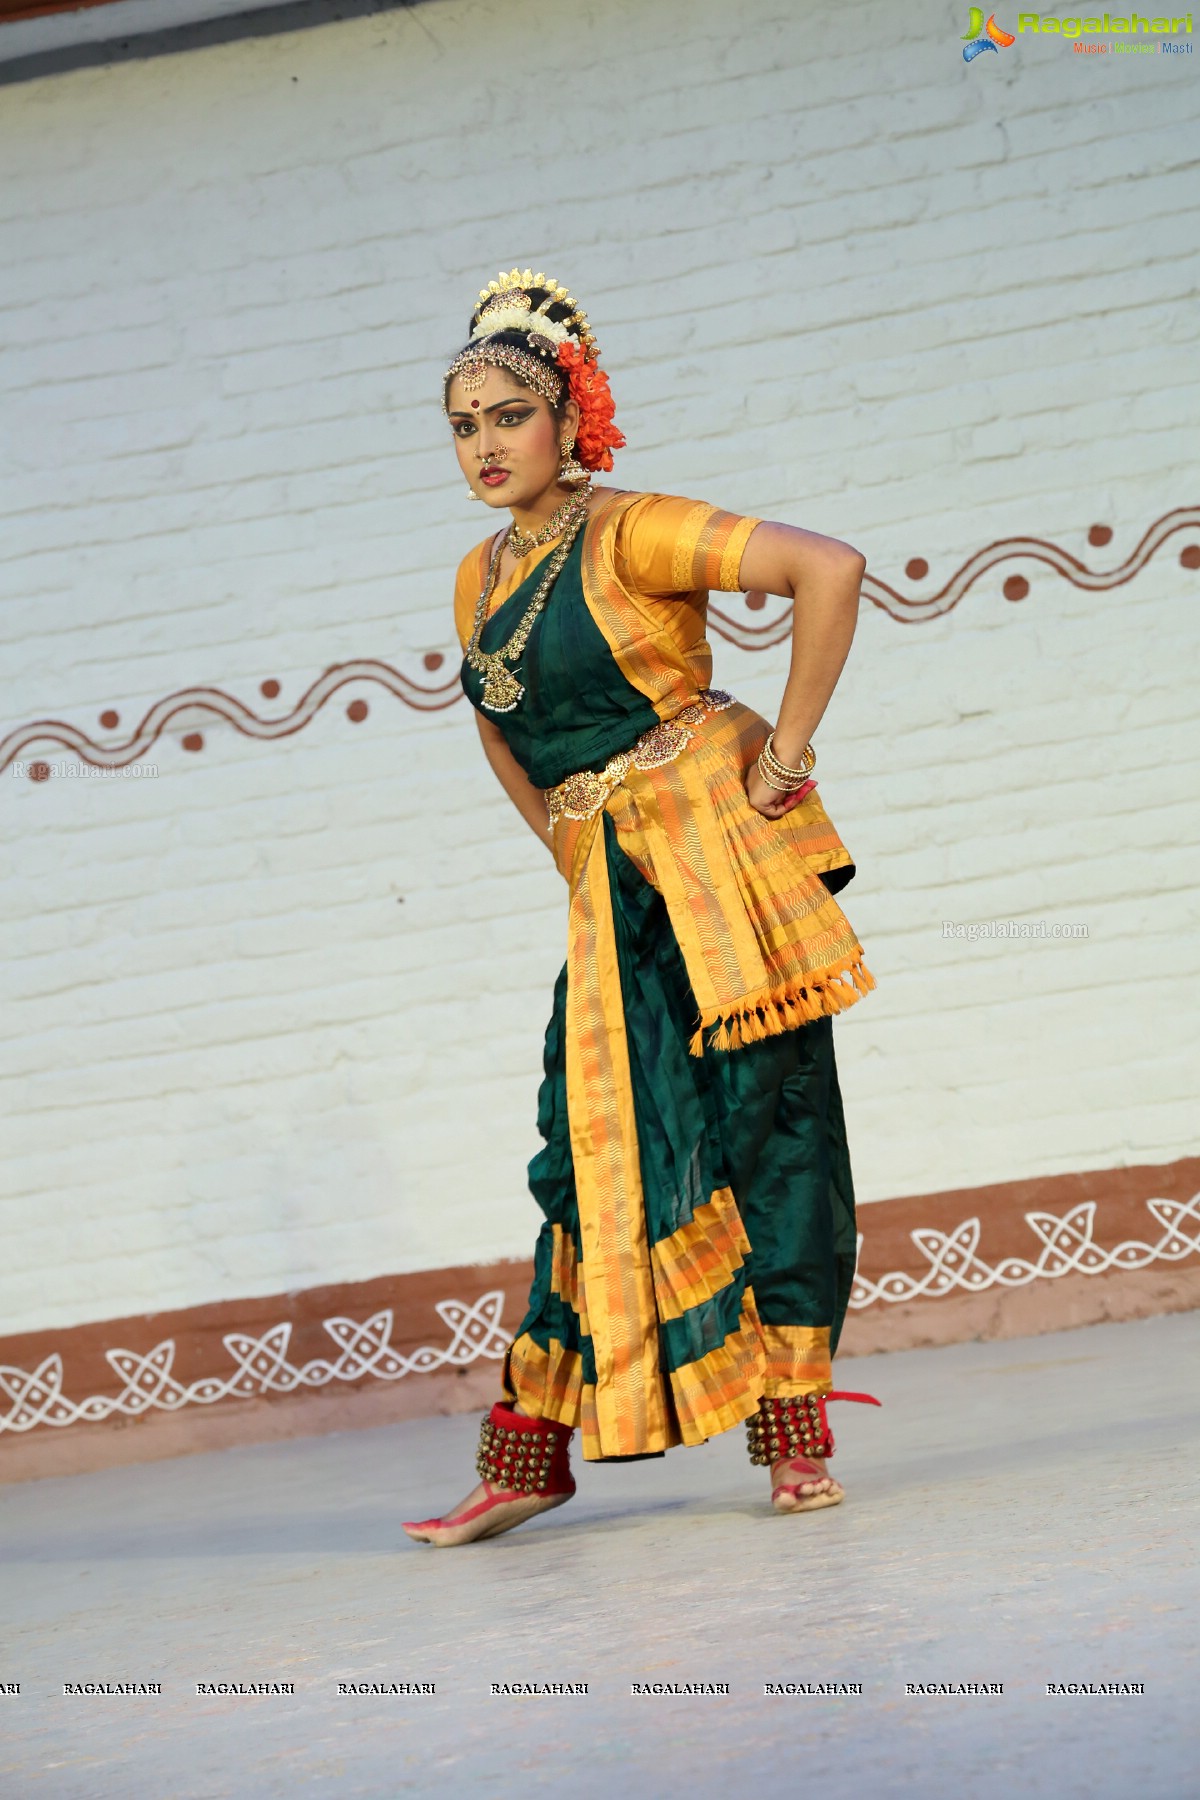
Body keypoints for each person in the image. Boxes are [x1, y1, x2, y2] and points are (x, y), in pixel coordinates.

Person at [402, 269, 879, 1549]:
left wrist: (783, 758)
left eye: (509, 416)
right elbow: (502, 733)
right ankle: (532, 1448)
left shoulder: (633, 532)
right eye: (463, 425)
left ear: (570, 422)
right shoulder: (478, 577)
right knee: (596, 1143)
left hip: (720, 882)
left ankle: (791, 1429)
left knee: (766, 1127)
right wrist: (568, 852)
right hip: (612, 899)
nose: (486, 445)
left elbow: (828, 570)